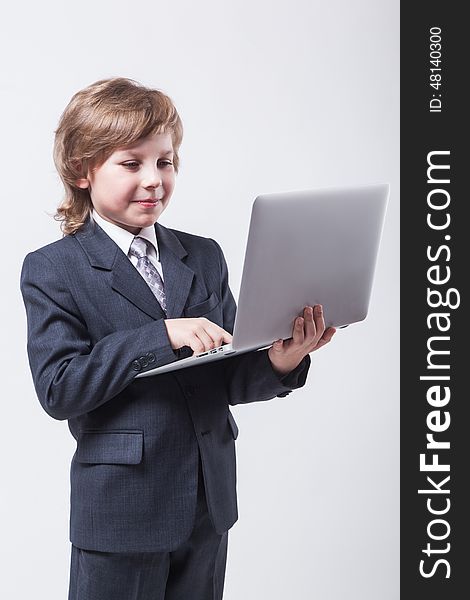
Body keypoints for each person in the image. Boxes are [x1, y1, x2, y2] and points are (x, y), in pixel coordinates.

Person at [20, 77, 336, 600]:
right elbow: (59, 388)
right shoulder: (53, 269)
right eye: (131, 163)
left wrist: (283, 359)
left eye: (165, 162)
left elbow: (228, 374)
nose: (153, 180)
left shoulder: (203, 255)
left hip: (207, 502)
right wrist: (160, 334)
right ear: (81, 169)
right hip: (122, 511)